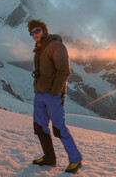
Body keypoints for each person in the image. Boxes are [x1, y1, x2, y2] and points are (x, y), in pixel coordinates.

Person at [28, 19, 82, 174]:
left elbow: (64, 71)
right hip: (40, 94)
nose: (34, 35)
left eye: (37, 31)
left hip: (52, 95)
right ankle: (49, 158)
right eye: (31, 33)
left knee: (59, 129)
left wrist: (55, 91)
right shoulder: (39, 48)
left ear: (44, 30)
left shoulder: (56, 46)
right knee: (39, 127)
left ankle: (75, 160)